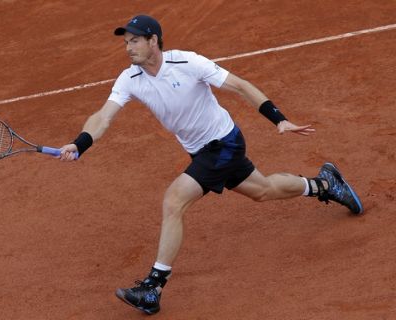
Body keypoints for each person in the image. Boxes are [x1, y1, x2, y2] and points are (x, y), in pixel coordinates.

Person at [59, 14, 363, 315]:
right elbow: (104, 116)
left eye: (135, 41)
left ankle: (153, 287)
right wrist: (80, 142)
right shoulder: (130, 78)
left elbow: (240, 86)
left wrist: (279, 120)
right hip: (200, 150)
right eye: (126, 42)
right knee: (263, 190)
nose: (128, 48)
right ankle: (325, 184)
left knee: (174, 201)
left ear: (153, 41)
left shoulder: (188, 63)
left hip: (223, 142)